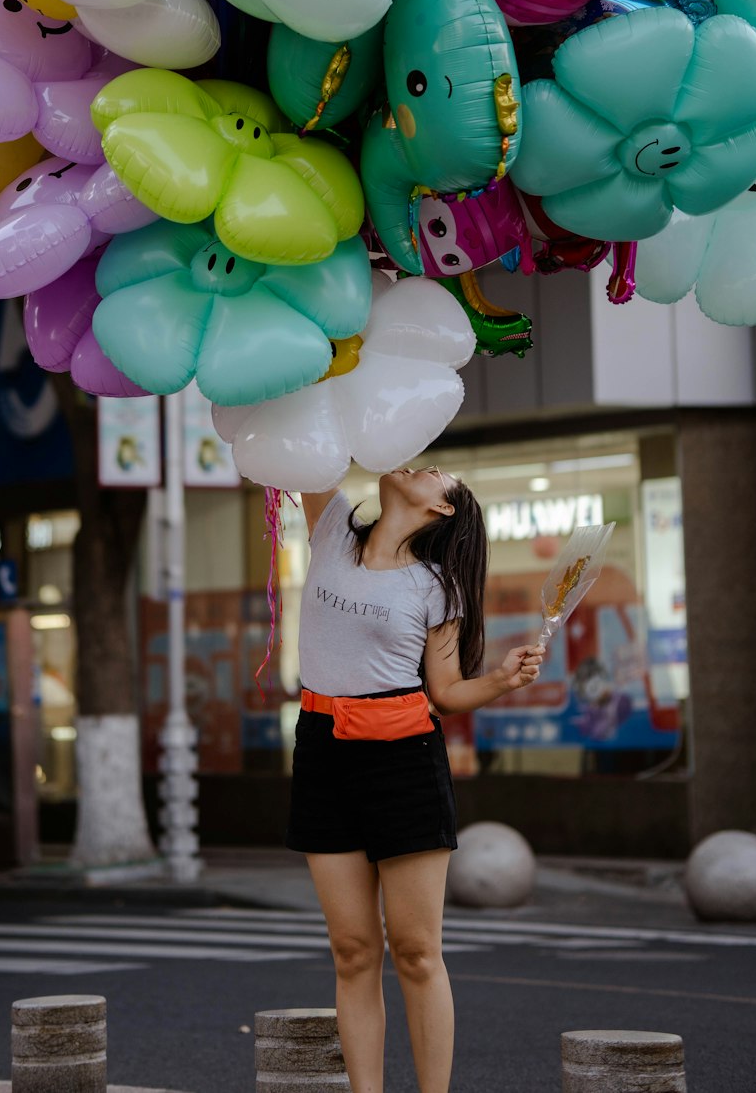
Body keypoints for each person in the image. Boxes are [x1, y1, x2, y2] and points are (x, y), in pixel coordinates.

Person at [287, 467, 543, 1093]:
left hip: (403, 757)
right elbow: (314, 454)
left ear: (444, 508)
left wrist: (505, 679)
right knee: (352, 951)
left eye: (437, 473)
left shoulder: (437, 585)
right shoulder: (332, 531)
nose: (420, 465)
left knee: (416, 952)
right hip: (322, 751)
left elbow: (447, 691)